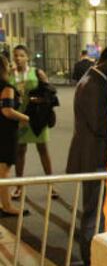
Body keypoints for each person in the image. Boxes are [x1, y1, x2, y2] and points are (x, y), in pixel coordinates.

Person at [66, 45, 107, 266]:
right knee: (95, 212)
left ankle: (94, 261)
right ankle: (90, 265)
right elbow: (101, 125)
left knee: (96, 210)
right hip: (96, 157)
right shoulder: (94, 85)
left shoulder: (94, 81)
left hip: (94, 156)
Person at [9, 45, 57, 198]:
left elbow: (50, 93)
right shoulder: (10, 74)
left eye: (21, 55)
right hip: (18, 117)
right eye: (15, 55)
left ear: (27, 57)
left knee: (42, 149)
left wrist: (41, 99)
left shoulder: (37, 72)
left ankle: (51, 186)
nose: (18, 58)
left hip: (37, 118)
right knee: (19, 151)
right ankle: (19, 186)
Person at [0, 54, 28, 216]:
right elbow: (7, 111)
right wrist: (26, 118)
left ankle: (4, 201)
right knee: (4, 170)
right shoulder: (7, 87)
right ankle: (7, 206)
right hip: (6, 132)